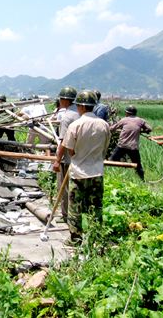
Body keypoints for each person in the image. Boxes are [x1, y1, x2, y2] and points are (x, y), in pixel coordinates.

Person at [58, 90, 110, 245]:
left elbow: (70, 149)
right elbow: (105, 149)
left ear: (80, 106)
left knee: (76, 207)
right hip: (97, 171)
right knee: (96, 206)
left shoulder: (75, 125)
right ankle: (96, 237)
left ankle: (75, 239)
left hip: (79, 172)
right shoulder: (104, 125)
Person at [52, 86, 79, 222]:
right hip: (82, 159)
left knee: (65, 189)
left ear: (63, 100)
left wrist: (57, 160)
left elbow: (63, 142)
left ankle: (66, 216)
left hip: (68, 159)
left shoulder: (67, 117)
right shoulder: (81, 113)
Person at [109, 105, 152, 180]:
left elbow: (112, 129)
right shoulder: (140, 120)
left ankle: (110, 177)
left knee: (111, 161)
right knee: (138, 166)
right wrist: (143, 131)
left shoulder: (124, 120)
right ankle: (142, 180)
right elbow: (149, 129)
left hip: (122, 146)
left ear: (127, 113)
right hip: (133, 147)